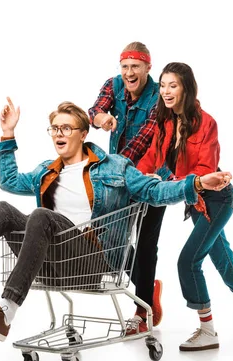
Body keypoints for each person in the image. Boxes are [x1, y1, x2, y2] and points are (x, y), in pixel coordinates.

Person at [0, 97, 233, 342]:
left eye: (66, 128)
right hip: (51, 261)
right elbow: (9, 181)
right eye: (54, 129)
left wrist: (196, 183)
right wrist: (7, 135)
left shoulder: (115, 168)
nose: (59, 134)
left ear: (82, 133)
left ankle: (5, 313)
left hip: (93, 261)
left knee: (41, 216)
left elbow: (156, 190)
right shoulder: (46, 172)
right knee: (4, 209)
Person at [137, 62, 233, 351]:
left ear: (186, 88)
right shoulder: (165, 122)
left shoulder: (206, 122)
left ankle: (207, 330)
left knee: (188, 261)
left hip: (217, 198)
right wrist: (137, 176)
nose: (166, 91)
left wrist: (177, 181)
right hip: (195, 201)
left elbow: (205, 169)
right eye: (163, 85)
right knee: (221, 256)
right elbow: (152, 156)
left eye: (173, 85)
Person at [88, 41, 165, 333]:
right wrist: (102, 118)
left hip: (153, 178)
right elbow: (94, 110)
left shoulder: (159, 96)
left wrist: (113, 168)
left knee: (145, 243)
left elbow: (143, 141)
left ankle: (141, 311)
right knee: (109, 234)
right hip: (119, 174)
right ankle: (148, 286)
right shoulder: (114, 85)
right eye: (125, 67)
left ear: (148, 67)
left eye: (135, 67)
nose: (129, 73)